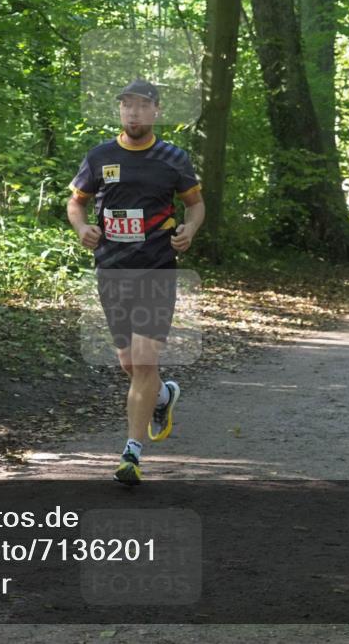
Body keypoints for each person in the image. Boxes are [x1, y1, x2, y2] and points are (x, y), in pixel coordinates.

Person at [67, 79, 205, 485]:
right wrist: (81, 228)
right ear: (120, 111)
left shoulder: (172, 158)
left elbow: (195, 205)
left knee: (144, 359)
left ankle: (132, 452)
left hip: (157, 268)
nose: (133, 113)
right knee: (129, 362)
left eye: (142, 106)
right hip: (111, 269)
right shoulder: (100, 156)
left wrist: (190, 230)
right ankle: (163, 396)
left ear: (157, 111)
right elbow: (77, 203)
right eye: (127, 106)